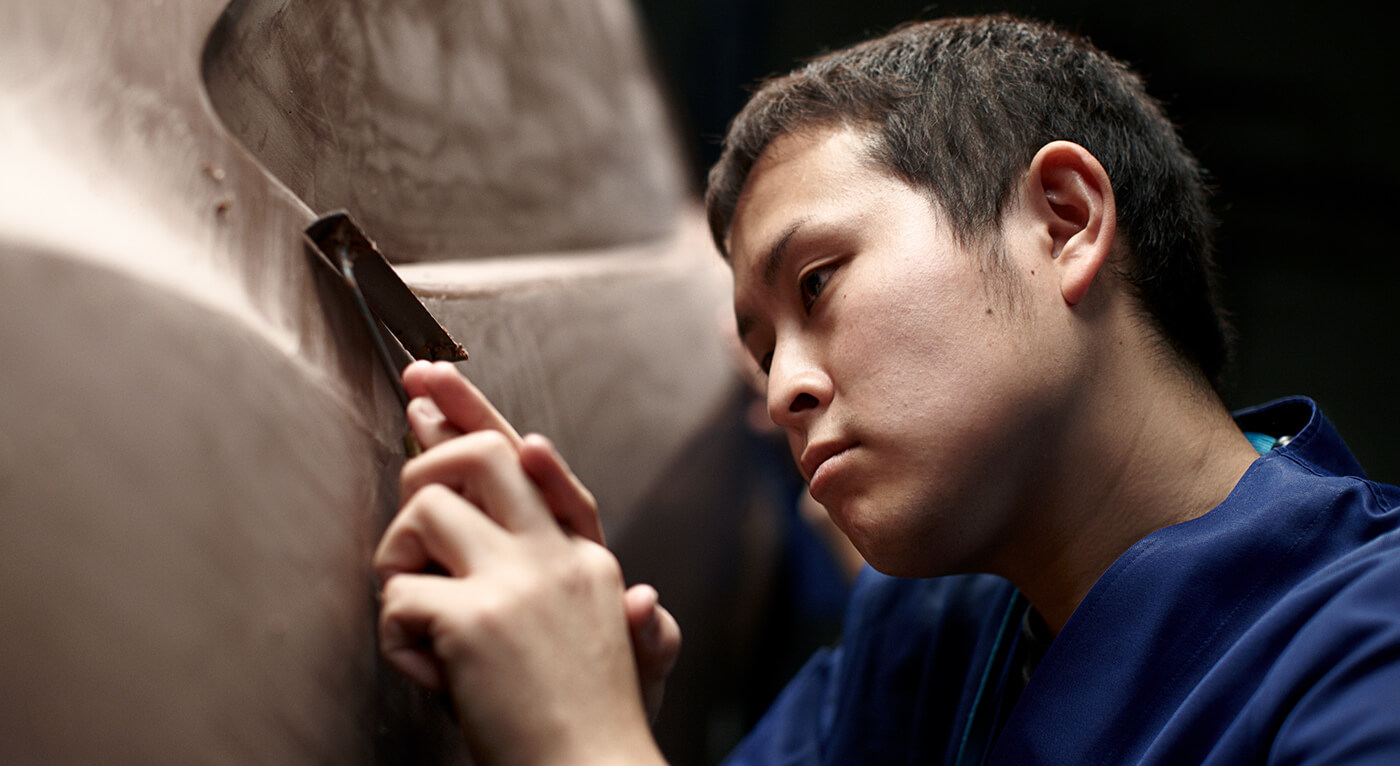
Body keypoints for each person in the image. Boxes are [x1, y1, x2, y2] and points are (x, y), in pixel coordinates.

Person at [373, 14, 1400, 765]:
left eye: (815, 284)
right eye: (761, 346)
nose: (779, 392)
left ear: (1061, 220)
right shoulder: (923, 642)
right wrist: (580, 692)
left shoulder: (1362, 653)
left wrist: (583, 746)